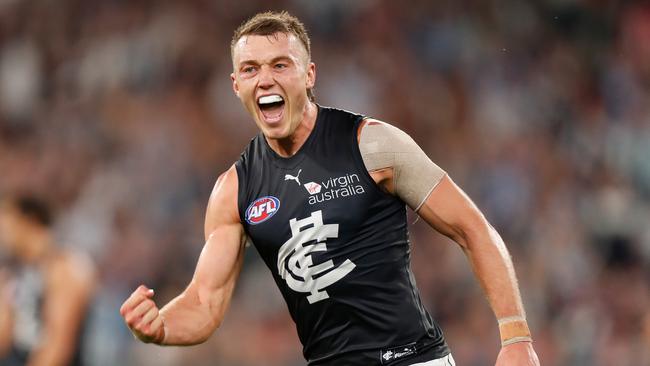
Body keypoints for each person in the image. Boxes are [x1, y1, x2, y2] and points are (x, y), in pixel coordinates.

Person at [120, 11, 541, 366]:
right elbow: (205, 302)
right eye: (251, 69)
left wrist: (515, 336)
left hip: (413, 359)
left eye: (280, 65)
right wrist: (160, 328)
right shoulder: (234, 189)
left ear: (308, 74)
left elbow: (473, 228)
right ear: (236, 85)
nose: (265, 79)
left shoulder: (372, 144)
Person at [0, 194, 96, 366]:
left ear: (29, 220)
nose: (3, 231)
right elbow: (4, 337)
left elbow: (58, 345)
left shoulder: (65, 268)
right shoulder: (14, 271)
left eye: (6, 221)